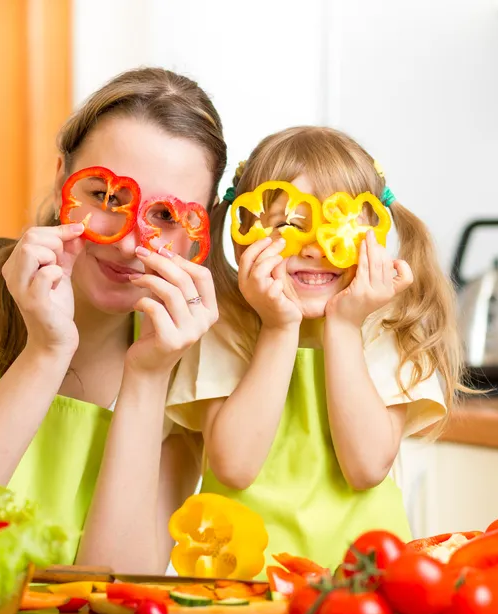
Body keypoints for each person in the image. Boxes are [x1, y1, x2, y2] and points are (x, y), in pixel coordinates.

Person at [0, 67, 227, 573]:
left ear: (201, 227)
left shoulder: (186, 351)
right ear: (63, 180)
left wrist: (146, 377)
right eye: (105, 196)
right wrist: (45, 353)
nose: (126, 243)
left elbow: (116, 593)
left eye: (165, 216)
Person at [166, 126, 466, 573]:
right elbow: (234, 466)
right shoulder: (220, 320)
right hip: (240, 583)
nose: (314, 248)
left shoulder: (388, 324)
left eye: (337, 224)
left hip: (364, 581)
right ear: (245, 232)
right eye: (288, 224)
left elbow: (366, 468)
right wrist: (278, 327)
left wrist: (344, 327)